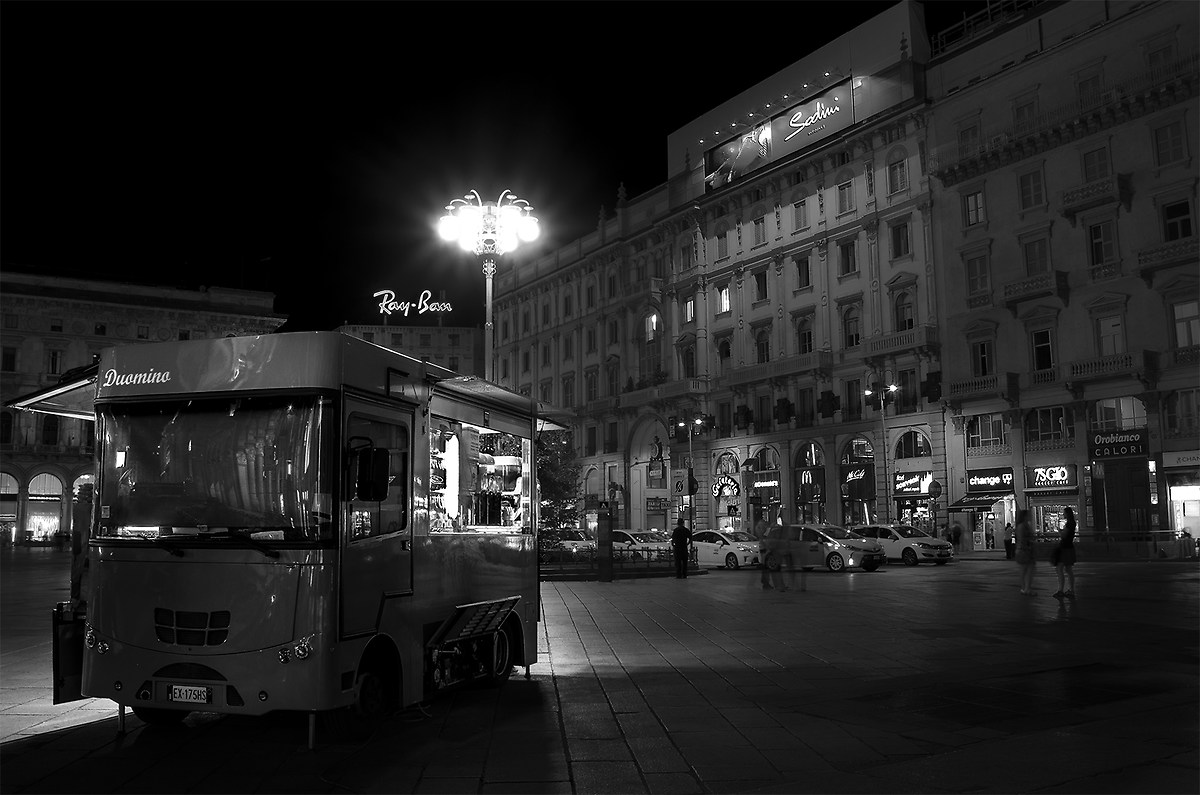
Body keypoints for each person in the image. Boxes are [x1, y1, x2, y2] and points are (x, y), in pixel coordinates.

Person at [1052, 507, 1077, 599]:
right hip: (1069, 547)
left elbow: (1063, 535)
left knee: (1059, 569)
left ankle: (1061, 590)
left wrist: (1059, 530)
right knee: (1068, 569)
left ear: (1067, 514)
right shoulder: (1073, 523)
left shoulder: (1069, 524)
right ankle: (1071, 590)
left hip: (1064, 548)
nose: (1063, 514)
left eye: (1064, 513)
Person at [1014, 508, 1037, 595]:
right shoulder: (1023, 526)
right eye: (1028, 515)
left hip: (1024, 550)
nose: (1030, 516)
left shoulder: (1024, 525)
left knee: (1026, 570)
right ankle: (1025, 588)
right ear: (1024, 516)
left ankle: (1025, 588)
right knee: (1027, 570)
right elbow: (1022, 539)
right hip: (1024, 550)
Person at [753, 519, 772, 589]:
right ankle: (765, 582)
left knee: (765, 566)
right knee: (765, 566)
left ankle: (765, 581)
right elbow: (763, 537)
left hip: (763, 548)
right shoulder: (762, 529)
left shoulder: (758, 528)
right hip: (764, 548)